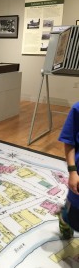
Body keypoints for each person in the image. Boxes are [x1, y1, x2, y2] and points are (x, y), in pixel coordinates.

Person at [58, 101, 79, 239]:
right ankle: (64, 217)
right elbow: (69, 140)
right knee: (74, 219)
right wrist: (72, 171)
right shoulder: (77, 109)